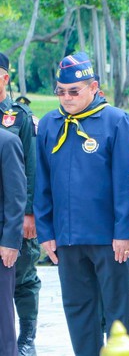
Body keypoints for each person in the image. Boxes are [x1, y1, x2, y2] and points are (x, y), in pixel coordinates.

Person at [34, 52, 129, 356]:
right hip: (67, 237)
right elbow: (42, 183)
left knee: (116, 311)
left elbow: (127, 182)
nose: (66, 98)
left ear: (94, 87)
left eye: (74, 91)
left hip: (108, 238)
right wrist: (46, 232)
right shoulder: (50, 123)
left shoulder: (115, 121)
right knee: (78, 310)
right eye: (61, 91)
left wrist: (125, 232)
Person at [0, 52, 40, 355]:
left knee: (23, 275)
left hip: (16, 214)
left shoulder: (19, 117)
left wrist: (29, 213)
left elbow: (31, 168)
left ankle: (25, 338)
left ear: (4, 78)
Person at [0, 128, 27, 356]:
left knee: (2, 315)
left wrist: (10, 241)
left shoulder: (7, 141)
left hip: (1, 242)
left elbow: (17, 195)